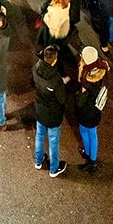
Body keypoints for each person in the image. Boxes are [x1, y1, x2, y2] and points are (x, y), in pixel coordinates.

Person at [32, 43, 68, 176]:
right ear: (54, 60)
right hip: (53, 115)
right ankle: (54, 168)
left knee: (40, 136)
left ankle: (38, 161)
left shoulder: (36, 69)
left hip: (40, 110)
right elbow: (62, 99)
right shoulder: (55, 81)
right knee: (53, 141)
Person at [73, 47, 108, 172]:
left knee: (84, 131)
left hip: (86, 113)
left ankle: (90, 158)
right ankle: (91, 158)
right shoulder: (102, 70)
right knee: (93, 133)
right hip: (96, 111)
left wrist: (79, 94)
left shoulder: (86, 82)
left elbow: (80, 103)